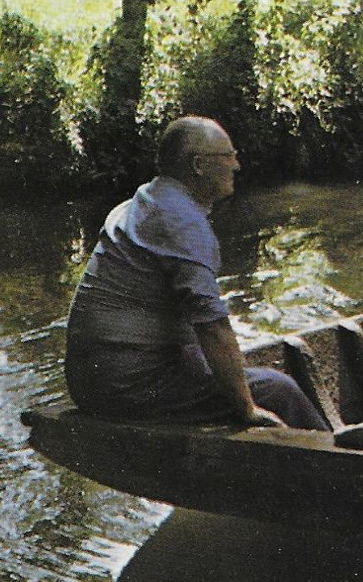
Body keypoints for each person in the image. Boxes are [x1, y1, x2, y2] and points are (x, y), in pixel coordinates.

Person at [64, 115, 330, 430]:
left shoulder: (142, 202)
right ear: (200, 165)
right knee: (278, 390)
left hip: (90, 382)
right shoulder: (182, 222)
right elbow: (212, 327)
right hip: (127, 387)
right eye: (229, 156)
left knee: (227, 367)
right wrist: (246, 409)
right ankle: (345, 469)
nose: (237, 165)